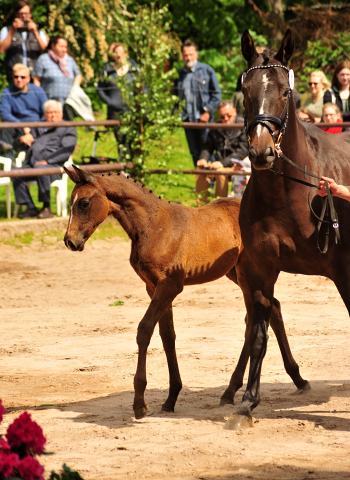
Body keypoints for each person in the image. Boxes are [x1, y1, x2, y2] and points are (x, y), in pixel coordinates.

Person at [11, 99, 77, 219]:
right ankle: (31, 207)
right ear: (44, 114)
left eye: (56, 112)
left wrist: (47, 161)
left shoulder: (68, 128)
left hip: (53, 167)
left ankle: (47, 207)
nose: (53, 115)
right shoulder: (38, 127)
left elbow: (66, 151)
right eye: (50, 112)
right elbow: (17, 147)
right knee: (14, 172)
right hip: (30, 166)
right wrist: (21, 140)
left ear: (61, 114)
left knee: (41, 168)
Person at [173, 39, 221, 167]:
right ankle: (200, 182)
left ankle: (210, 182)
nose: (188, 57)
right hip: (187, 120)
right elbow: (175, 99)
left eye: (190, 54)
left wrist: (207, 112)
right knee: (194, 152)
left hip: (203, 120)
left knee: (207, 151)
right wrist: (175, 115)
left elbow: (217, 94)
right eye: (185, 55)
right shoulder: (180, 75)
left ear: (196, 54)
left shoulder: (207, 71)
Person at [196, 99, 249, 201]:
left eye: (228, 115)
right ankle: (201, 205)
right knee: (200, 169)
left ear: (235, 111)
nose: (225, 118)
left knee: (220, 172)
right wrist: (203, 158)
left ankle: (219, 207)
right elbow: (208, 147)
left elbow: (242, 151)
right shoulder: (216, 126)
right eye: (222, 116)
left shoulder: (243, 125)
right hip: (217, 164)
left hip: (235, 165)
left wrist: (222, 163)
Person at [97, 42, 139, 160]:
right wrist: (109, 101)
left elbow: (143, 88)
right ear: (112, 55)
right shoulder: (107, 71)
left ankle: (135, 168)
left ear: (126, 53)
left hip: (133, 112)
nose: (119, 55)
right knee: (122, 141)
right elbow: (99, 89)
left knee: (134, 141)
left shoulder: (134, 70)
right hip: (115, 113)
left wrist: (139, 105)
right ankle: (125, 169)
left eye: (121, 52)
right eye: (116, 52)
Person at [0, 63, 47, 163]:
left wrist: (35, 126)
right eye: (16, 77)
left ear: (29, 78)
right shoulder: (7, 92)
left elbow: (46, 112)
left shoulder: (38, 91)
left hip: (37, 126)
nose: (19, 79)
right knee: (5, 127)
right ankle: (9, 162)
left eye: (22, 77)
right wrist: (22, 126)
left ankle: (40, 160)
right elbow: (5, 114)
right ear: (12, 77)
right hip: (17, 126)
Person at [0, 1, 47, 83]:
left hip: (34, 78)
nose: (24, 17)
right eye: (21, 14)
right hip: (15, 78)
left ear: (30, 14)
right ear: (16, 14)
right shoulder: (6, 30)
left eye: (26, 14)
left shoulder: (39, 32)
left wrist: (35, 33)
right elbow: (1, 50)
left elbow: (46, 51)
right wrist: (13, 30)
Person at [33, 35, 82, 113]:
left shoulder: (70, 60)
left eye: (65, 47)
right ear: (53, 46)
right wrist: (38, 96)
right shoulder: (43, 59)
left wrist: (75, 88)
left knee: (68, 124)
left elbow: (78, 75)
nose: (64, 49)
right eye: (61, 46)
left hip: (68, 102)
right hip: (49, 103)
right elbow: (36, 79)